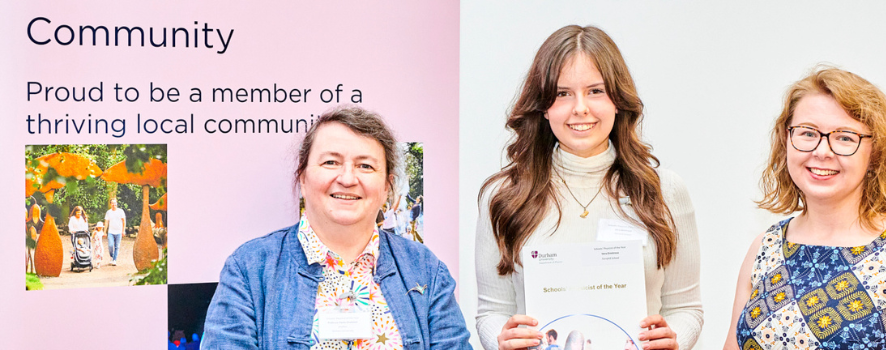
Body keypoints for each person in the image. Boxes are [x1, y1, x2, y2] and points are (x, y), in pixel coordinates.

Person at [475, 25, 703, 350]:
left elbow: (686, 308)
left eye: (595, 91)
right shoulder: (504, 196)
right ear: (544, 106)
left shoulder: (665, 190)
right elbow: (491, 312)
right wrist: (502, 338)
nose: (580, 107)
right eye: (562, 93)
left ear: (618, 101)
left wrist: (673, 338)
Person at [723, 67, 886, 349]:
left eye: (845, 138)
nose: (822, 151)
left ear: (875, 153)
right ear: (785, 140)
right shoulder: (765, 246)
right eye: (808, 133)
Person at [203, 106, 470, 349]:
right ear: (303, 177)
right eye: (330, 162)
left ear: (387, 186)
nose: (347, 178)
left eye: (365, 166)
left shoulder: (426, 270)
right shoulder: (250, 268)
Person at [103, 198, 126, 266]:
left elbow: (124, 221)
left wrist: (123, 230)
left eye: (115, 203)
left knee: (117, 246)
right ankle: (112, 256)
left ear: (117, 203)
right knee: (110, 245)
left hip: (118, 232)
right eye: (112, 203)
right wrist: (105, 232)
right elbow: (106, 222)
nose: (114, 204)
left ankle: (114, 260)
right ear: (110, 204)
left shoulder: (120, 211)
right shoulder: (108, 212)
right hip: (111, 232)